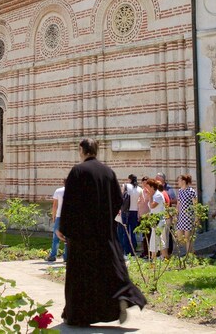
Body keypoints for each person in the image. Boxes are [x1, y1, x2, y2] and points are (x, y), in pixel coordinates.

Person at [58, 139, 146, 327]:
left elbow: (70, 202)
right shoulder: (108, 172)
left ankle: (79, 315)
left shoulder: (78, 171)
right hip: (105, 234)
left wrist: (63, 228)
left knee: (81, 276)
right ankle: (121, 298)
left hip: (82, 236)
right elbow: (117, 200)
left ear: (82, 150)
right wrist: (105, 218)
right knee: (107, 272)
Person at [144, 177, 167, 260]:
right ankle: (165, 257)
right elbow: (152, 210)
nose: (147, 189)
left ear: (152, 187)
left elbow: (152, 206)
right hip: (155, 220)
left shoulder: (157, 195)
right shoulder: (154, 195)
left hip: (159, 220)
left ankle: (153, 261)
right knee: (159, 240)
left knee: (154, 240)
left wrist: (150, 197)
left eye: (148, 187)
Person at [174, 174, 197, 256]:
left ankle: (189, 256)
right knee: (179, 238)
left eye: (179, 180)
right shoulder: (180, 191)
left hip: (188, 217)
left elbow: (195, 205)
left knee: (187, 238)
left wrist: (197, 218)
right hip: (181, 217)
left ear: (183, 181)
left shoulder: (191, 191)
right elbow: (178, 204)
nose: (178, 182)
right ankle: (191, 251)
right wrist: (176, 215)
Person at [156, 173, 177, 257]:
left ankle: (165, 254)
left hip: (165, 215)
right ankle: (165, 254)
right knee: (165, 237)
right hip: (166, 215)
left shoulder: (166, 190)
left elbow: (174, 200)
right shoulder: (163, 192)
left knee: (164, 237)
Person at [46, 183, 66, 262]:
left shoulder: (59, 190)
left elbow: (55, 205)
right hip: (70, 217)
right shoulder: (74, 191)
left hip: (59, 216)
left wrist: (53, 216)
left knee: (56, 237)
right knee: (67, 237)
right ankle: (67, 257)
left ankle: (53, 255)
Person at [125, 174, 141, 255]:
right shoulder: (139, 189)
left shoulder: (127, 186)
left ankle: (127, 250)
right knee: (134, 231)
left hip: (127, 211)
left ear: (130, 179)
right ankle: (134, 247)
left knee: (126, 231)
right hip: (135, 211)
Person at [136, 176, 152, 258]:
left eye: (146, 183)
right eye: (143, 183)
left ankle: (149, 252)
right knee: (143, 235)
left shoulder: (150, 193)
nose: (144, 185)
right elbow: (138, 204)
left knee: (148, 235)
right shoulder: (141, 192)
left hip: (148, 216)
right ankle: (145, 251)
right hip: (142, 216)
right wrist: (138, 215)